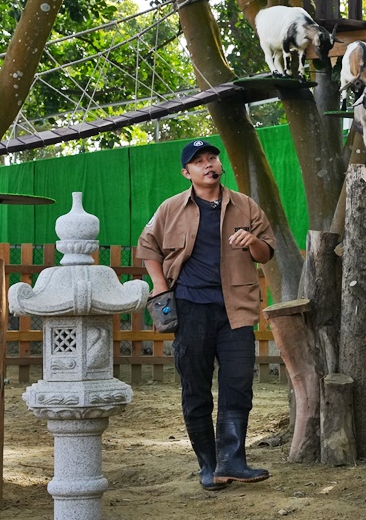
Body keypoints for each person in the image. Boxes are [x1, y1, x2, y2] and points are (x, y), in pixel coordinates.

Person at [137, 138, 276, 491]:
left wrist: (251, 241)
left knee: (238, 385)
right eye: (199, 161)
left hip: (237, 309)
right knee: (196, 389)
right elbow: (147, 246)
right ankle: (208, 465)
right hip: (190, 308)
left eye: (212, 157)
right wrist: (158, 285)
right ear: (187, 173)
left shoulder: (245, 206)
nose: (208, 164)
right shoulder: (170, 208)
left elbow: (266, 253)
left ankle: (233, 461)